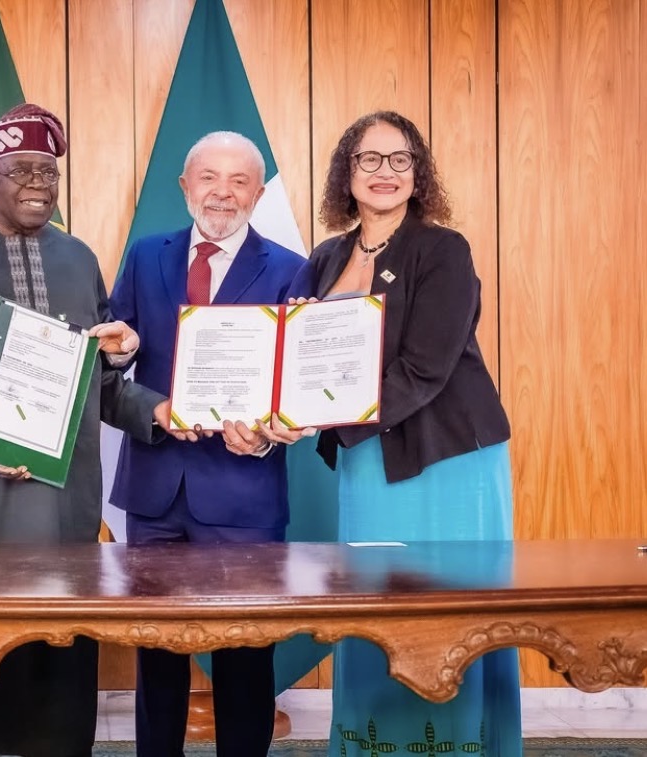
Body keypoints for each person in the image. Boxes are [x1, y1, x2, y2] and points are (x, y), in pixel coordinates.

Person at [0, 103, 177, 757]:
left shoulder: (79, 258)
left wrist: (155, 412)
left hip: (65, 511)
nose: (39, 184)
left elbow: (101, 383)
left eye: (49, 172)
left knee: (59, 713)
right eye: (21, 169)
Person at [279, 111, 521, 756]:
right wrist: (281, 412)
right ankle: (371, 742)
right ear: (346, 172)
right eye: (369, 159)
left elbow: (425, 367)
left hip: (446, 457)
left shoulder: (443, 250)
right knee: (373, 600)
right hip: (368, 460)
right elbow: (296, 355)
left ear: (419, 172)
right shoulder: (325, 257)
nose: (384, 173)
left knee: (449, 606)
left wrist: (318, 417)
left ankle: (463, 744)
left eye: (399, 159)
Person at [107, 131, 305, 757]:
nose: (223, 192)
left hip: (243, 493)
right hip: (154, 489)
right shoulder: (144, 256)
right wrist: (145, 390)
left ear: (258, 192)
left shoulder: (291, 270)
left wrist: (268, 435)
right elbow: (110, 364)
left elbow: (296, 388)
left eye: (240, 180)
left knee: (246, 657)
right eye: (209, 178)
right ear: (185, 187)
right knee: (156, 654)